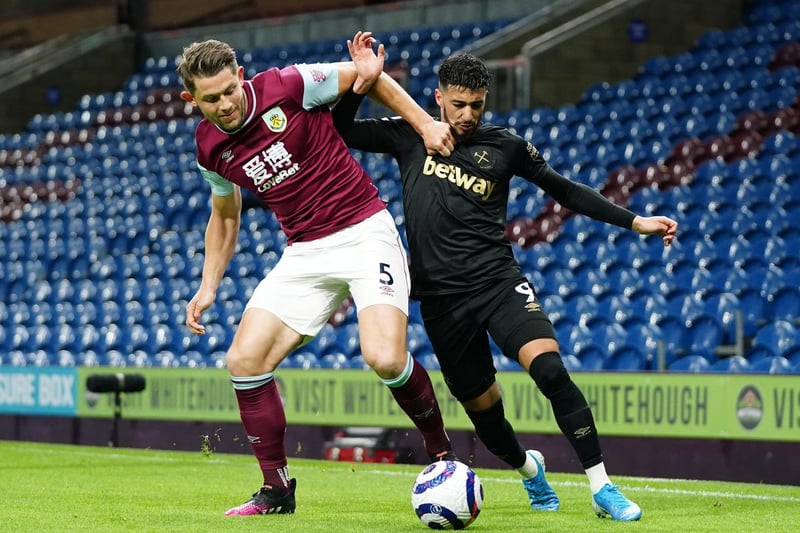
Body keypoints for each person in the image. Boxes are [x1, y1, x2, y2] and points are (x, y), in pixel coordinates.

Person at [333, 35, 679, 522]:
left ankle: (602, 486)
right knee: (487, 419)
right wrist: (362, 81)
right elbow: (340, 129)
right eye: (458, 104)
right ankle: (528, 468)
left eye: (476, 105)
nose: (468, 114)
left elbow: (566, 190)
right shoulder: (409, 134)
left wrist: (635, 221)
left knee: (552, 372)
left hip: (498, 283)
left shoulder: (507, 147)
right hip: (441, 302)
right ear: (438, 97)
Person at [175, 33, 458, 517]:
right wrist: (207, 285)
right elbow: (225, 213)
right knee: (243, 361)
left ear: (241, 76)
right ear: (191, 100)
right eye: (210, 98)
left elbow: (368, 79)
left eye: (229, 90)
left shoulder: (288, 85)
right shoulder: (209, 148)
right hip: (304, 251)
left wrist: (427, 125)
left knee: (385, 358)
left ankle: (442, 455)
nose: (224, 104)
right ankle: (277, 490)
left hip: (364, 229)